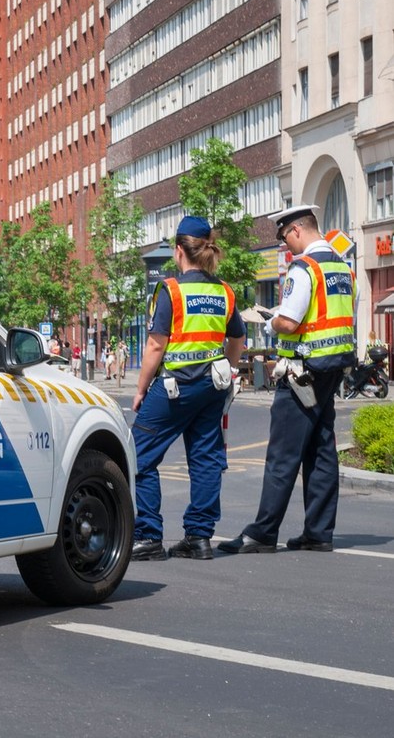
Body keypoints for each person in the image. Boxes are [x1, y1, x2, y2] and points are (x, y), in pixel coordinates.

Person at [219, 205, 356, 555]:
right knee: (322, 450)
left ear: (295, 230)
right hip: (331, 369)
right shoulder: (343, 268)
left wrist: (272, 321)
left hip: (301, 373)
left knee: (282, 454)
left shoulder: (304, 268)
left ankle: (263, 533)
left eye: (284, 238)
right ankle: (319, 532)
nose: (285, 246)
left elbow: (291, 321)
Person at [130, 216, 246, 561]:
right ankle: (198, 538)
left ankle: (149, 535)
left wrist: (140, 390)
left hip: (174, 387)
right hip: (212, 387)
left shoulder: (172, 289)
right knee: (207, 458)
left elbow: (155, 345)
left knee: (139, 454)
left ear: (179, 251)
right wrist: (229, 367)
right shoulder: (223, 290)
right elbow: (238, 337)